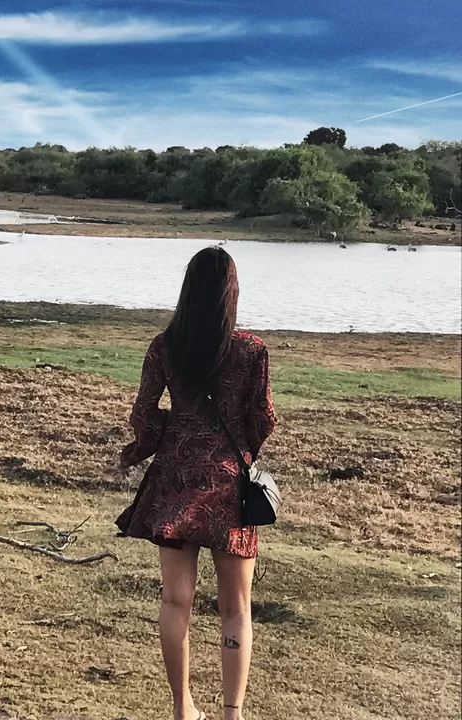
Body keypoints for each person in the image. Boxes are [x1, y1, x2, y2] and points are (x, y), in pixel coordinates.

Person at [116, 246, 277, 720]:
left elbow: (142, 414)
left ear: (187, 289)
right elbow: (262, 419)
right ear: (232, 291)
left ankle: (182, 709)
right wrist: (241, 455)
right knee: (236, 608)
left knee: (175, 600)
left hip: (174, 480)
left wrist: (157, 440)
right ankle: (232, 713)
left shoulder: (164, 346)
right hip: (228, 486)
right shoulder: (251, 350)